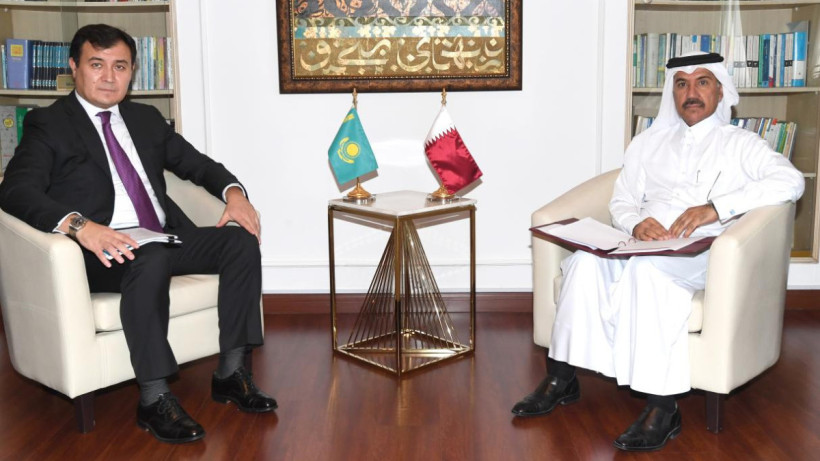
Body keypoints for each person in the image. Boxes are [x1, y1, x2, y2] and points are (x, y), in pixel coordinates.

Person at [511, 51, 805, 452]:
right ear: (673, 92)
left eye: (702, 82)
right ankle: (562, 378)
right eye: (682, 84)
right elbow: (622, 200)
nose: (691, 92)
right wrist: (635, 223)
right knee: (583, 264)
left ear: (720, 91)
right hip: (643, 244)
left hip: (702, 254)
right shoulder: (648, 142)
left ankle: (663, 407)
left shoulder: (741, 144)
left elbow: (791, 182)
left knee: (647, 274)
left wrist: (716, 208)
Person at [0, 24, 276, 444]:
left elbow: (197, 165)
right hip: (98, 251)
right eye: (97, 64)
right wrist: (81, 226)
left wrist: (234, 194)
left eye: (120, 66)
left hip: (159, 237)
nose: (109, 77)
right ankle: (154, 397)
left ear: (132, 71)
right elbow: (16, 190)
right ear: (74, 67)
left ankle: (232, 373)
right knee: (150, 257)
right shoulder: (49, 123)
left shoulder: (144, 119)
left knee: (239, 242)